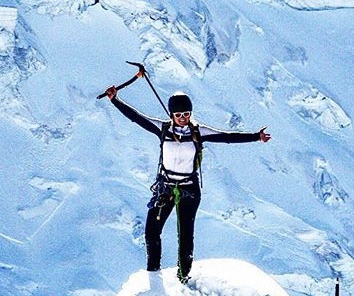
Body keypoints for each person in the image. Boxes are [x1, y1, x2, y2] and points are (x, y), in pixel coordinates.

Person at [104, 87, 271, 282]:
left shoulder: (199, 132)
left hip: (189, 189)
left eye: (186, 114)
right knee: (151, 232)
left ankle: (183, 276)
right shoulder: (163, 129)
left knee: (185, 234)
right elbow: (137, 118)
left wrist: (255, 137)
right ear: (171, 114)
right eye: (178, 114)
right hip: (165, 187)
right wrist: (115, 100)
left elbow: (227, 137)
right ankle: (153, 274)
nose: (183, 117)